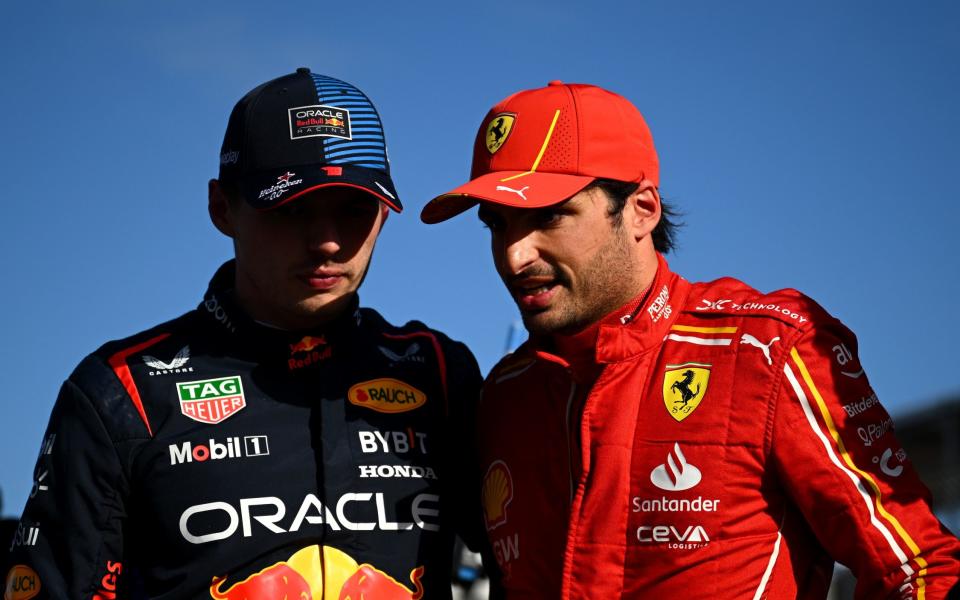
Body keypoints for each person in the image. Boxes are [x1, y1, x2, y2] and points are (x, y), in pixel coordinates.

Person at [420, 81, 960, 599]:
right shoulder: (504, 396)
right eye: (497, 225)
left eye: (549, 217)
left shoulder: (768, 349)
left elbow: (917, 569)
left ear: (641, 210)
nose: (515, 256)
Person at [5, 68, 483, 599]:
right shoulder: (121, 391)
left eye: (354, 209)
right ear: (221, 208)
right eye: (293, 207)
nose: (327, 242)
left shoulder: (439, 372)